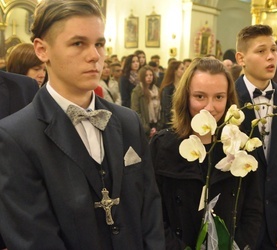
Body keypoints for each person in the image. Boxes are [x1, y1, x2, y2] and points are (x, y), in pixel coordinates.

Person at [0, 0, 164, 249]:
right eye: (78, 43)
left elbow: (150, 211)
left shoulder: (128, 121)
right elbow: (35, 239)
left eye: (99, 44)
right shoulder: (16, 136)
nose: (94, 56)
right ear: (42, 50)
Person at [149, 57, 262, 249]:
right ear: (186, 97)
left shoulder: (240, 145)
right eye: (200, 97)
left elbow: (253, 209)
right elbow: (152, 212)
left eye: (219, 97)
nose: (210, 107)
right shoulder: (162, 146)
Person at [235, 24, 277, 250]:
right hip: (238, 219)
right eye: (261, 51)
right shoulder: (228, 98)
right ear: (241, 58)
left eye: (273, 50)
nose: (271, 57)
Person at [131, 65, 161, 137]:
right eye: (146, 75)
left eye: (151, 75)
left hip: (156, 124)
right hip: (145, 126)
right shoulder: (137, 91)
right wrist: (147, 129)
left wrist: (157, 127)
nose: (149, 77)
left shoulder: (157, 90)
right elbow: (136, 111)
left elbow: (160, 109)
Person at [159, 60, 184, 128]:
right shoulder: (167, 89)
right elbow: (167, 109)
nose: (184, 71)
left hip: (182, 121)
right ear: (175, 71)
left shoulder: (183, 87)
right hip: (170, 123)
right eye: (181, 69)